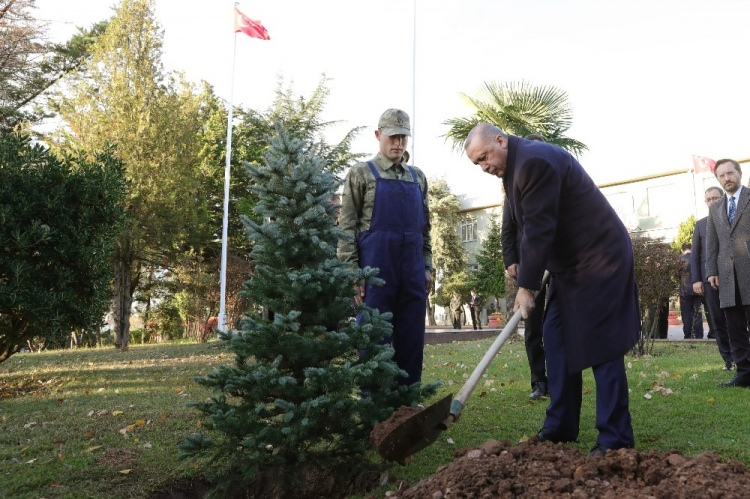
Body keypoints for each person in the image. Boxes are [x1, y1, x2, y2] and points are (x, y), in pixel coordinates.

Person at [464, 123, 640, 456]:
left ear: (500, 140)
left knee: (602, 346)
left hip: (600, 257)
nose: (485, 166)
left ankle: (615, 438)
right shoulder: (515, 168)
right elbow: (533, 226)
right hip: (569, 267)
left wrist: (526, 285)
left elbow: (539, 228)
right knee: (556, 337)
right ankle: (560, 426)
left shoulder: (534, 162)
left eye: (485, 157)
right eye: (478, 163)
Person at [337, 108, 432, 386]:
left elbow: (425, 228)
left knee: (413, 339)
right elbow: (346, 229)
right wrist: (352, 272)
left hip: (413, 272)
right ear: (379, 135)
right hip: (375, 272)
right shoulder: (360, 174)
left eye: (403, 137)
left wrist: (427, 267)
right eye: (392, 137)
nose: (398, 143)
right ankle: (375, 408)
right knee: (373, 338)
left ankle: (408, 402)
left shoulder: (418, 178)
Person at [502, 133, 548, 400]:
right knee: (533, 328)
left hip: (555, 270)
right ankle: (538, 382)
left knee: (556, 327)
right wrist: (512, 260)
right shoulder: (513, 191)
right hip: (528, 269)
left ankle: (559, 379)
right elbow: (507, 230)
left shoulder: (555, 184)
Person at [706, 159, 750, 387]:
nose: (727, 179)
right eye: (721, 176)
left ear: (739, 173)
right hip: (727, 276)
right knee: (735, 329)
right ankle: (744, 373)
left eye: (730, 173)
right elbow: (712, 242)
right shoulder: (715, 208)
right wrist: (711, 270)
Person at [691, 186, 733, 370]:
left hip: (732, 278)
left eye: (715, 198)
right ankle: (728, 360)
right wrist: (696, 280)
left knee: (736, 319)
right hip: (708, 282)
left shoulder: (734, 219)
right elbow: (695, 255)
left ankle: (742, 356)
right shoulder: (700, 224)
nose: (712, 201)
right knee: (717, 321)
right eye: (708, 199)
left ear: (723, 199)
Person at [679, 243, 704, 339]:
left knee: (686, 313)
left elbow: (677, 276)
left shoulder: (680, 260)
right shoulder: (696, 259)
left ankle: (687, 334)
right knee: (697, 313)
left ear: (682, 250)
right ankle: (699, 335)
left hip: (684, 290)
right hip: (697, 289)